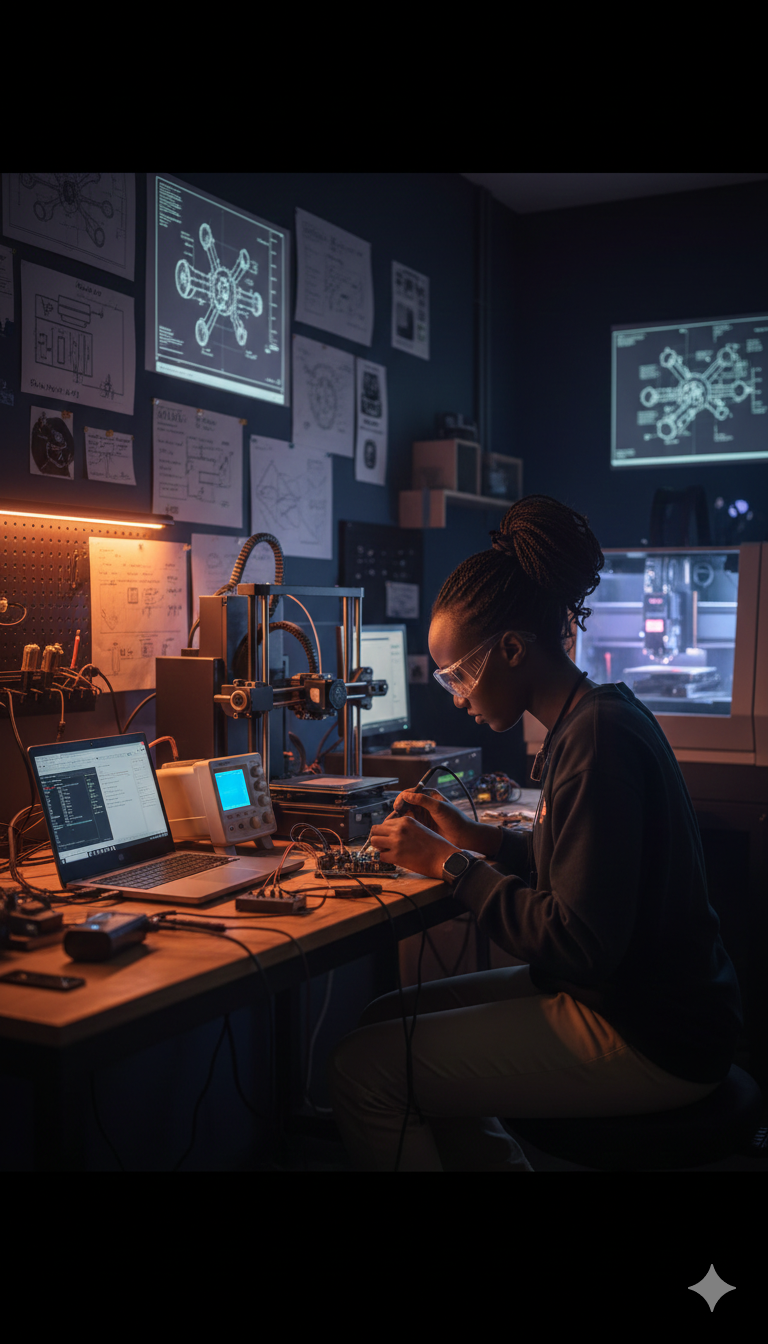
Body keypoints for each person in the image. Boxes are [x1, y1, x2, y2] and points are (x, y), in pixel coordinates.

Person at [327, 494, 743, 1171]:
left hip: (650, 1032)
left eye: (459, 675)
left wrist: (451, 867)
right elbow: (588, 867)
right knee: (385, 1020)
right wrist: (479, 839)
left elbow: (577, 942)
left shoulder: (597, 742)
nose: (458, 698)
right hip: (638, 1002)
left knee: (364, 1069)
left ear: (514, 649)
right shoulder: (596, 717)